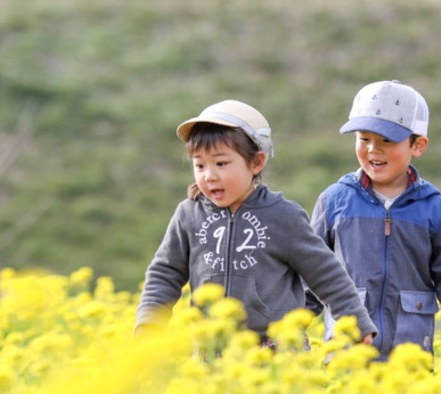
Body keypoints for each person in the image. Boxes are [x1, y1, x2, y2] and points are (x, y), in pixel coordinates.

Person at [135, 100, 377, 349]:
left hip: (277, 350)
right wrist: (149, 325)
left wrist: (356, 322)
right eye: (200, 165)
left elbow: (326, 274)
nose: (210, 175)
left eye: (221, 163)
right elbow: (165, 274)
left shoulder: (283, 216)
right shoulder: (188, 214)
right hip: (212, 348)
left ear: (257, 162)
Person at [307, 80, 441, 361]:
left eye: (387, 140)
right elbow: (312, 271)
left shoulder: (437, 210)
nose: (374, 149)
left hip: (410, 356)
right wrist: (289, 324)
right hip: (346, 355)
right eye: (364, 139)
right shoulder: (334, 201)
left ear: (419, 144)